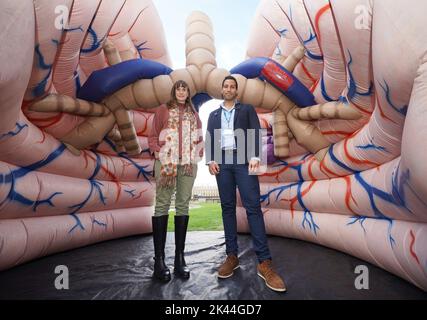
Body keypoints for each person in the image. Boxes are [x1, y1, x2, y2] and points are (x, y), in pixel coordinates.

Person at [205, 75, 286, 292]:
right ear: (222, 90)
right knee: (228, 208)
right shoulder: (213, 115)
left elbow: (255, 132)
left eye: (232, 86)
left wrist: (256, 157)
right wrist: (211, 160)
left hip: (243, 162)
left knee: (253, 208)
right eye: (226, 86)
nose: (229, 89)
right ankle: (232, 256)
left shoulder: (247, 109)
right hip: (222, 163)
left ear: (236, 92)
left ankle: (264, 262)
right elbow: (210, 137)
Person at [148, 80, 203, 282]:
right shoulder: (163, 110)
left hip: (188, 164)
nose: (181, 91)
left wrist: (198, 153)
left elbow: (198, 138)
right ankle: (159, 260)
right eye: (178, 88)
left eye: (185, 89)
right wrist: (157, 151)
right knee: (162, 205)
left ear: (188, 93)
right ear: (174, 91)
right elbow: (153, 134)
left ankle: (180, 259)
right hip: (166, 163)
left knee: (183, 205)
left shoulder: (194, 114)